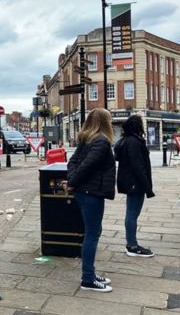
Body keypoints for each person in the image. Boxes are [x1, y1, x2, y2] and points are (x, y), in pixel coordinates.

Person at [66, 108, 116, 292]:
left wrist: (72, 181)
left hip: (84, 192)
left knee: (92, 232)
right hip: (91, 193)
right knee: (92, 234)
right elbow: (86, 166)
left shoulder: (86, 139)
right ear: (105, 122)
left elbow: (72, 163)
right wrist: (73, 181)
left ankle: (91, 273)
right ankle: (87, 279)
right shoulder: (101, 141)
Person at [113, 115, 155, 258]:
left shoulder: (125, 141)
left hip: (130, 182)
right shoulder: (134, 142)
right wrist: (148, 188)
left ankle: (132, 243)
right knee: (132, 214)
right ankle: (132, 245)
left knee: (131, 213)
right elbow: (138, 166)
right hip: (135, 183)